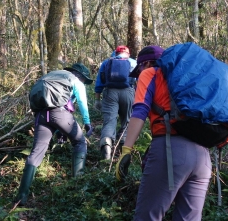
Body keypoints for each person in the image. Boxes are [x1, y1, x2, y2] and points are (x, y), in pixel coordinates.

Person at [116, 45, 212, 221]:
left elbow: (139, 112)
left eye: (139, 69)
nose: (139, 75)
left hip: (171, 150)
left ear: (146, 63)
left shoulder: (150, 73)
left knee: (147, 217)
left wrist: (126, 150)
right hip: (203, 156)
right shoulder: (189, 76)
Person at [14, 63, 94, 206]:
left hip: (41, 115)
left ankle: (21, 197)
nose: (84, 82)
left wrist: (59, 131)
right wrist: (87, 122)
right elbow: (81, 101)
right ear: (80, 75)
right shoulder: (75, 80)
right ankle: (78, 188)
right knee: (80, 142)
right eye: (84, 80)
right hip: (60, 114)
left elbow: (51, 110)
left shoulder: (53, 76)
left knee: (36, 153)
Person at [94, 45, 136, 160]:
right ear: (128, 53)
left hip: (110, 93)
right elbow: (139, 81)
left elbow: (99, 82)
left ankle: (107, 147)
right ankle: (123, 148)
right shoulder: (133, 62)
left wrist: (97, 99)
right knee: (127, 121)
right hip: (128, 92)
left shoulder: (107, 62)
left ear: (115, 53)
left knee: (109, 121)